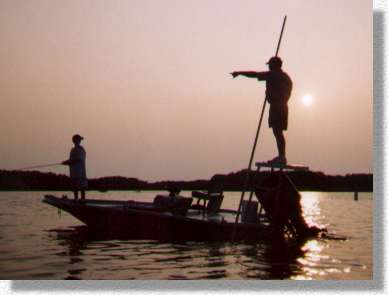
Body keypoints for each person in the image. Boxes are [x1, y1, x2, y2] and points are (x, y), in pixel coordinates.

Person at [231, 56, 293, 165]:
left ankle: (282, 157)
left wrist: (239, 73)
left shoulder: (273, 74)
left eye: (269, 64)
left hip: (276, 106)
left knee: (277, 131)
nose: (268, 66)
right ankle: (281, 156)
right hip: (283, 106)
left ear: (273, 65)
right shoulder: (286, 77)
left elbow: (254, 74)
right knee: (278, 132)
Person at [62, 134, 88, 200]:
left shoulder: (81, 149)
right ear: (75, 140)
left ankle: (83, 200)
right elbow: (71, 160)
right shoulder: (72, 150)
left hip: (80, 172)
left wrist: (69, 162)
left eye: (80, 140)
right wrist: (66, 162)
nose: (80, 141)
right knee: (75, 187)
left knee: (82, 187)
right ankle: (76, 199)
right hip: (74, 172)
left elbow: (79, 159)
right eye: (79, 139)